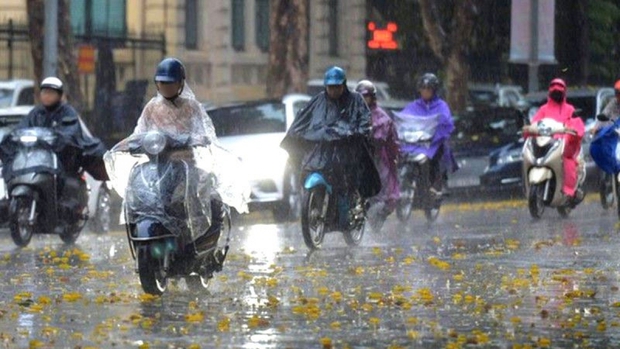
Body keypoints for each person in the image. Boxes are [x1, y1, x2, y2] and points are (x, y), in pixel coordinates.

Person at [281, 66, 381, 210]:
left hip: (347, 150)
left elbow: (365, 119)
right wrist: (296, 134)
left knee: (348, 179)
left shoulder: (356, 100)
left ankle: (352, 205)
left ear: (343, 85)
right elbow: (303, 118)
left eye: (337, 87)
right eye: (330, 87)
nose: (333, 91)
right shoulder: (318, 101)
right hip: (322, 150)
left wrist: (357, 132)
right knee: (308, 168)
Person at [6, 76, 108, 181]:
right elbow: (21, 129)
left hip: (61, 165)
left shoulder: (67, 112)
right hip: (35, 164)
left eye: (51, 93)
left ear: (59, 95)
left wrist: (55, 139)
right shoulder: (36, 113)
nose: (47, 96)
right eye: (44, 92)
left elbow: (70, 134)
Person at [524, 78, 585, 204]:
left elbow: (576, 123)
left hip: (565, 144)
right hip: (546, 143)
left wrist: (573, 132)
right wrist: (528, 129)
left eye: (559, 90)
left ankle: (569, 191)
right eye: (554, 89)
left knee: (568, 161)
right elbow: (535, 123)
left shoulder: (569, 109)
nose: (556, 92)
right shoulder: (543, 109)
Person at [397, 73, 457, 195]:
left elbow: (446, 120)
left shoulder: (441, 105)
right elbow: (403, 117)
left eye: (428, 89)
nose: (425, 91)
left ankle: (438, 183)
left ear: (434, 90)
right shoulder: (414, 105)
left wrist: (439, 127)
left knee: (437, 156)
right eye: (423, 88)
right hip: (415, 142)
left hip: (432, 142)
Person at [355, 80, 399, 230]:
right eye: (360, 98)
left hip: (377, 160)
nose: (363, 101)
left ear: (372, 98)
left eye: (366, 97)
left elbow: (383, 137)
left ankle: (378, 216)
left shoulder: (381, 117)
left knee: (384, 195)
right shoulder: (353, 113)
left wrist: (371, 131)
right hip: (356, 157)